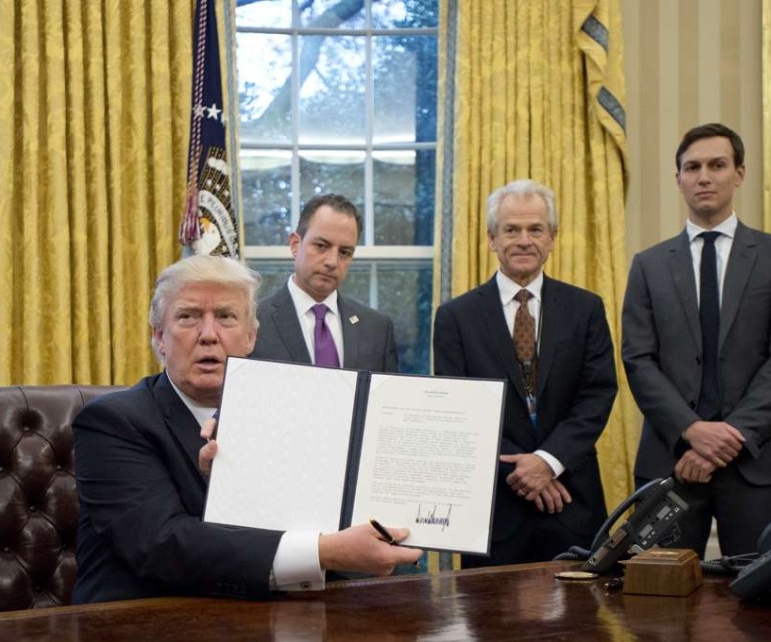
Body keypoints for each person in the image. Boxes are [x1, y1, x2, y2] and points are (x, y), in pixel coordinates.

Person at [71, 255, 421, 603]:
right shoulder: (111, 422)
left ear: (251, 337)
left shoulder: (293, 418)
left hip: (276, 624)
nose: (208, 335)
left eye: (225, 317)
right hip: (141, 629)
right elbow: (163, 544)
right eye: (188, 317)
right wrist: (323, 551)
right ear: (160, 337)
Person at [433, 179, 617, 567]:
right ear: (491, 239)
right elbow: (459, 412)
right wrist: (524, 470)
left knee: (581, 625)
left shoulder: (585, 309)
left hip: (571, 502)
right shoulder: (455, 318)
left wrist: (548, 461)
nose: (523, 240)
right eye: (511, 229)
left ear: (552, 237)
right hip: (495, 509)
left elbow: (597, 394)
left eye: (535, 229)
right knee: (491, 625)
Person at [622, 123, 771, 558]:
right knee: (660, 608)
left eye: (717, 165)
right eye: (692, 167)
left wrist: (728, 438)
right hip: (670, 462)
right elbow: (638, 359)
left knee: (758, 609)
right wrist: (690, 430)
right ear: (679, 179)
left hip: (754, 465)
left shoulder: (768, 257)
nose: (704, 176)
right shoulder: (648, 265)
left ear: (739, 173)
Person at [251, 194, 399, 372]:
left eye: (344, 252)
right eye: (321, 246)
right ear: (295, 244)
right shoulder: (253, 322)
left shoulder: (377, 329)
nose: (332, 262)